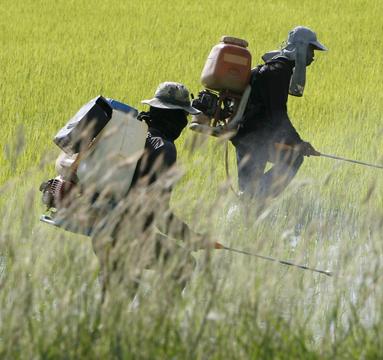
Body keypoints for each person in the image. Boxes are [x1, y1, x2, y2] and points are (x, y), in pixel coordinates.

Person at [90, 82, 207, 297]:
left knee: (115, 298)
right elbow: (158, 212)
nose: (184, 122)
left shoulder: (129, 134)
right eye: (182, 116)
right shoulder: (164, 148)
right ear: (172, 117)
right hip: (128, 237)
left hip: (101, 231)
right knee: (183, 263)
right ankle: (158, 321)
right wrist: (189, 237)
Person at [197, 26, 327, 200]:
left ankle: (244, 208)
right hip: (255, 139)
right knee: (294, 159)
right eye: (311, 50)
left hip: (244, 136)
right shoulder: (279, 71)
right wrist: (299, 143)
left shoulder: (273, 68)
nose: (312, 57)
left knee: (247, 190)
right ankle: (253, 200)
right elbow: (277, 114)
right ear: (301, 48)